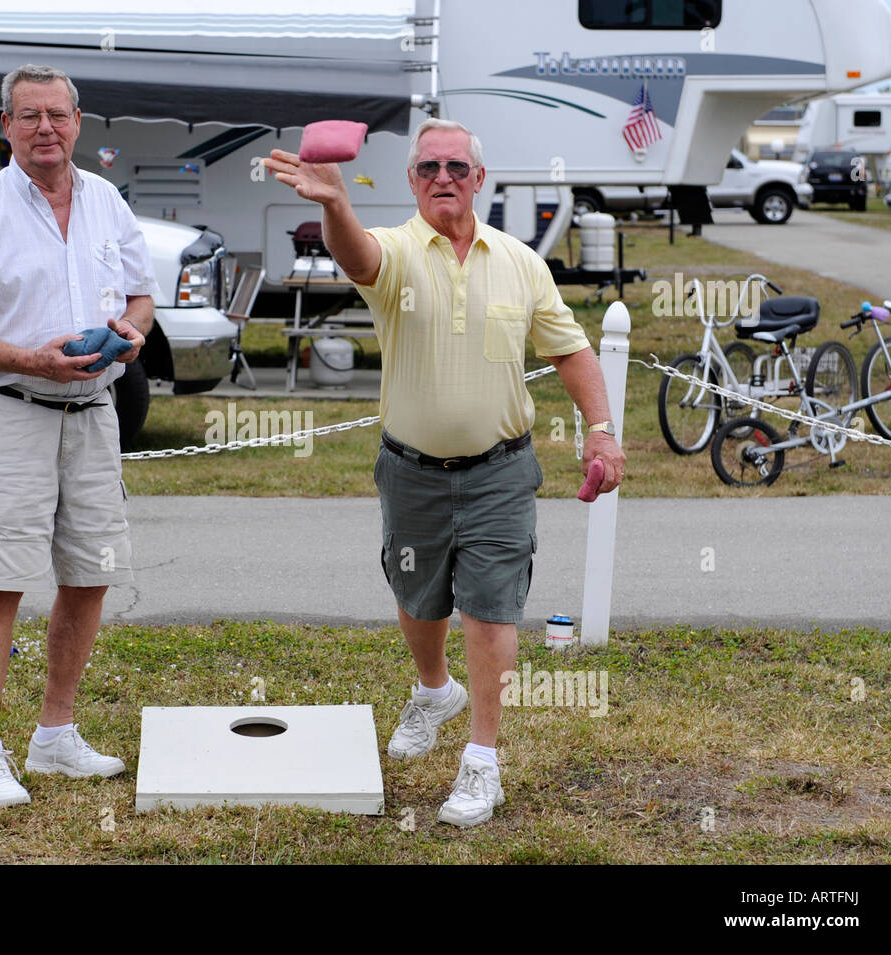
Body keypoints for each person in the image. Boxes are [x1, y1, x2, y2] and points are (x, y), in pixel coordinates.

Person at [264, 119, 625, 827]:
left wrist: (602, 431)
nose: (443, 179)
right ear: (411, 181)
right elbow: (358, 257)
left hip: (501, 471)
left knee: (491, 606)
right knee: (418, 596)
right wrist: (335, 205)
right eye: (428, 168)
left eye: (456, 167)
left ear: (479, 179)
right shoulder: (398, 251)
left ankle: (481, 761)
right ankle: (434, 690)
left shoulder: (521, 263)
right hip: (411, 471)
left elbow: (573, 351)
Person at [0, 65, 158, 807]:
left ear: (79, 122)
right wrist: (30, 358)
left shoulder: (107, 203)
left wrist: (133, 332)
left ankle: (54, 735)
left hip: (93, 416)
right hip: (11, 412)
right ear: (7, 126)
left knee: (89, 573)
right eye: (29, 117)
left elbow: (142, 296)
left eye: (56, 114)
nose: (44, 128)